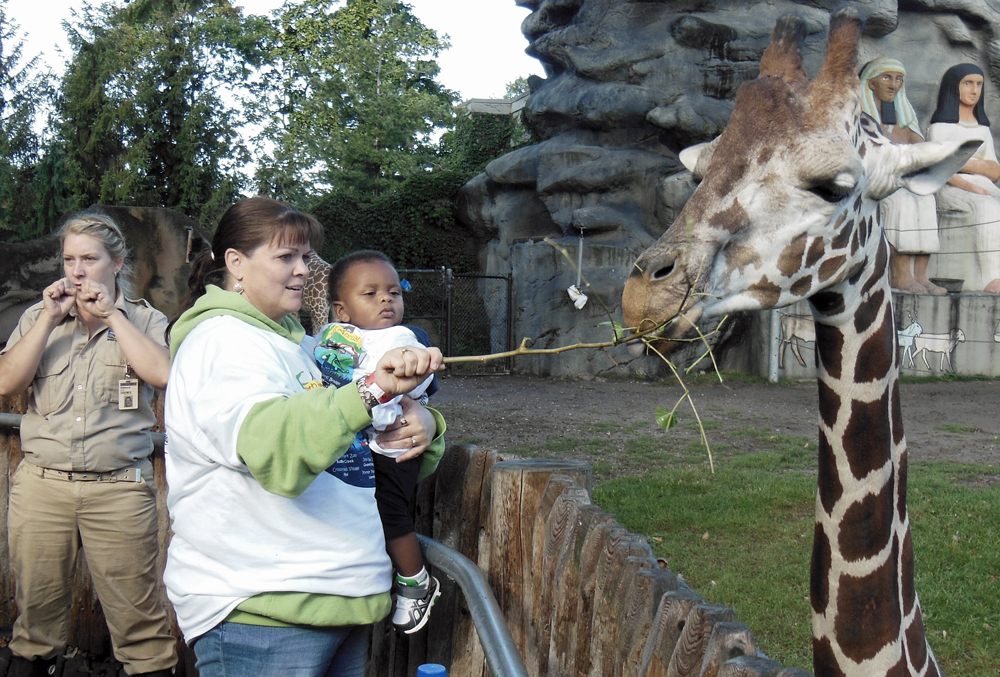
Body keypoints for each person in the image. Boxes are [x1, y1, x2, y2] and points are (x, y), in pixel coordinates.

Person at [163, 197, 445, 677]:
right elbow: (276, 448)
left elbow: (353, 435)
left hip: (336, 595)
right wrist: (371, 390)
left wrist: (424, 421)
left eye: (305, 256)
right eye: (285, 257)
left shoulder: (302, 345)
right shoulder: (222, 342)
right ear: (236, 263)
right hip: (265, 611)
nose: (303, 270)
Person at [0, 213, 177, 677]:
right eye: (69, 260)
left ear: (117, 263)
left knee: (140, 626)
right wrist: (47, 320)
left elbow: (162, 374)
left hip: (119, 489)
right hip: (42, 488)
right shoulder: (39, 316)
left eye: (90, 259)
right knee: (35, 622)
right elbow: (6, 382)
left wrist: (112, 315)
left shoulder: (145, 318)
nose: (77, 271)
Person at [314, 251, 441, 635]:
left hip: (391, 443)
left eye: (393, 292)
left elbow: (412, 383)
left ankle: (416, 581)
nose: (386, 299)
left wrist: (417, 368)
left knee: (389, 511)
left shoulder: (400, 339)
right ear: (342, 310)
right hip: (358, 442)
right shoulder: (331, 338)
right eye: (370, 294)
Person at [859, 58, 946, 295]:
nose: (893, 84)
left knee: (925, 198)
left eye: (898, 79)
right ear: (871, 83)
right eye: (886, 77)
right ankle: (900, 274)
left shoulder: (903, 117)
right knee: (901, 202)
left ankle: (921, 275)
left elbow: (920, 148)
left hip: (902, 179)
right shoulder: (859, 115)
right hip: (873, 182)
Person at [927, 63, 1000, 294]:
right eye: (968, 83)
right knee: (986, 207)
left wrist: (961, 162)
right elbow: (940, 168)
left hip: (983, 186)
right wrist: (972, 183)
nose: (974, 90)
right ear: (953, 87)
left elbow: (995, 171)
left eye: (979, 84)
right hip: (951, 188)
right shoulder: (940, 128)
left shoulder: (982, 130)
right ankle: (992, 278)